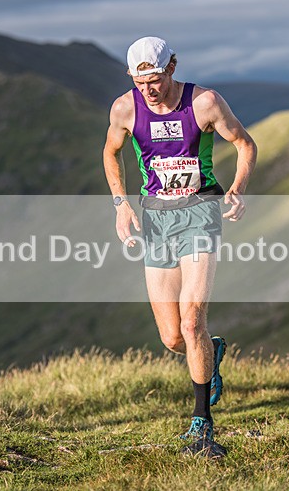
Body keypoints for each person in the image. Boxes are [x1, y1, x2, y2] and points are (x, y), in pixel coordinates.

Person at [102, 36, 257, 457]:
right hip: (155, 218)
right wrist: (120, 204)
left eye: (154, 79)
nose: (148, 89)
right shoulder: (125, 109)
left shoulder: (204, 103)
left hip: (200, 212)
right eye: (140, 81)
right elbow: (110, 153)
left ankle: (201, 423)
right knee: (173, 337)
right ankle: (213, 350)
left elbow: (244, 144)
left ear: (171, 67)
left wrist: (238, 189)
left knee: (192, 324)